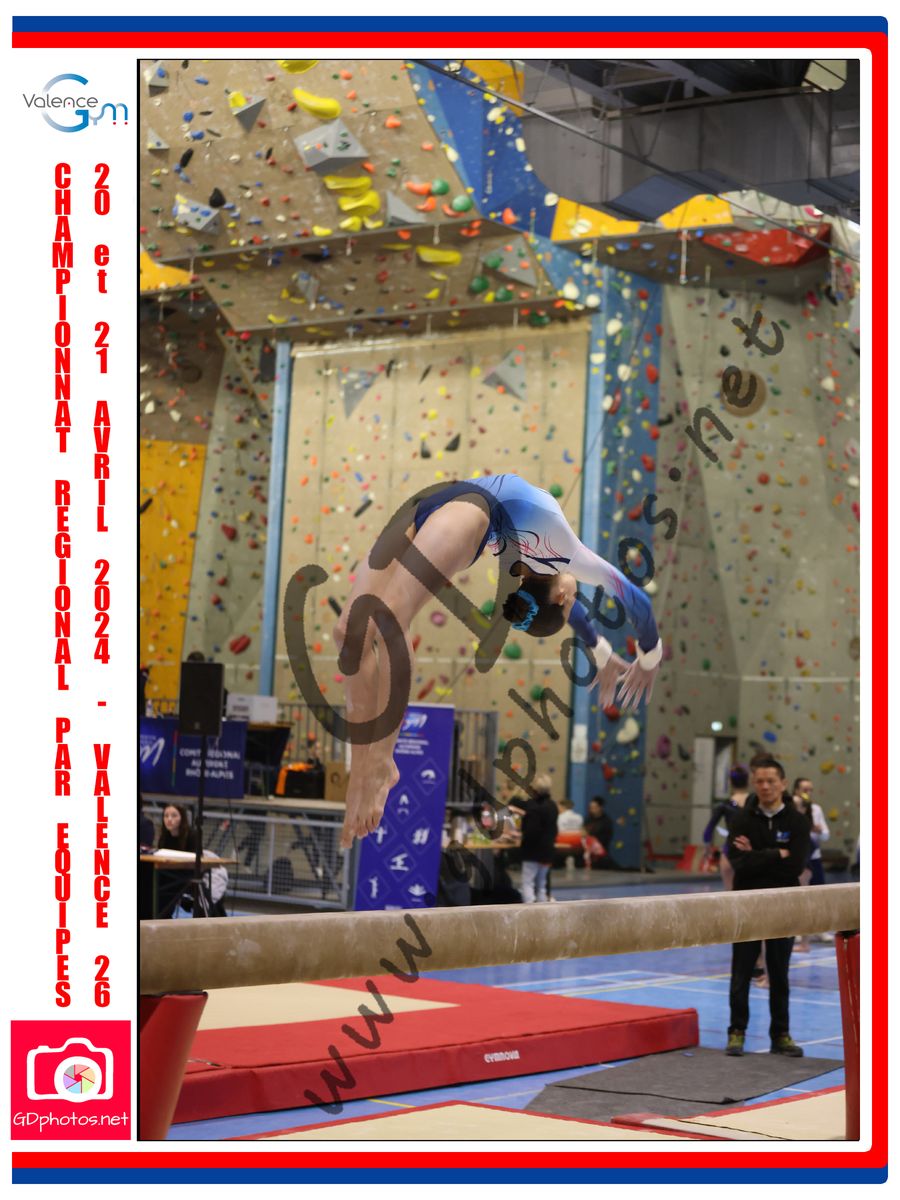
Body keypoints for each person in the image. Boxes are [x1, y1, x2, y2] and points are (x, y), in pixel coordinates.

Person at [332, 474, 663, 848]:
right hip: (434, 505)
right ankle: (363, 767)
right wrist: (618, 652)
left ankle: (379, 761)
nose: (576, 599)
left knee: (391, 617)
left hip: (466, 508)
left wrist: (642, 655)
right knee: (348, 633)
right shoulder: (547, 560)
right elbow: (600, 606)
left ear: (560, 597)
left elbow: (620, 604)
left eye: (571, 600)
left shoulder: (560, 558)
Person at [725, 757, 811, 1057]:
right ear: (753, 783)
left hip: (783, 904)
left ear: (783, 784)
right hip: (747, 903)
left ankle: (781, 1035)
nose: (765, 786)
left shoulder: (797, 822)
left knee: (779, 972)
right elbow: (739, 863)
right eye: (759, 781)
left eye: (771, 781)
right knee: (741, 972)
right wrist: (777, 854)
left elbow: (796, 866)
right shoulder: (741, 820)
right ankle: (736, 1032)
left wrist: (757, 854)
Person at [508, 774, 558, 902]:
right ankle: (542, 909)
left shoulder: (533, 806)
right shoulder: (553, 805)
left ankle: (530, 909)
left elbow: (531, 831)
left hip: (533, 850)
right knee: (541, 884)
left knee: (528, 882)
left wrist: (520, 835)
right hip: (548, 849)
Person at [702, 765, 750, 890]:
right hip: (750, 851)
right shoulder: (754, 803)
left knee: (730, 893)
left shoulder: (725, 805)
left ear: (730, 782)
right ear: (748, 780)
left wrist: (707, 848)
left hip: (730, 850)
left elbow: (708, 830)